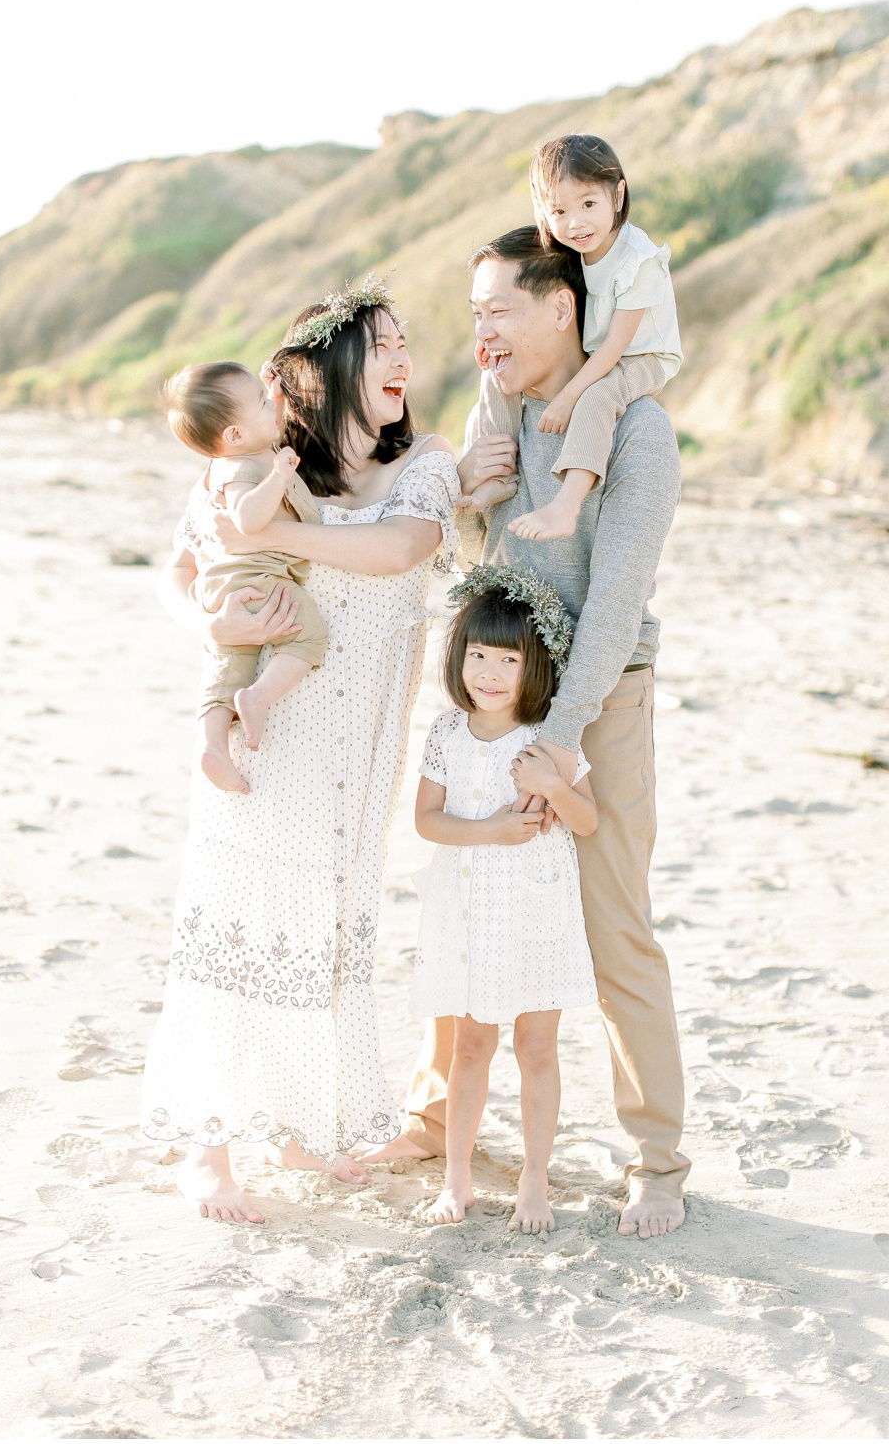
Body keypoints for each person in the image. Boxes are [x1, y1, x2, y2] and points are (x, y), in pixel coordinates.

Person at [365, 227, 689, 1240]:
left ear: (563, 307)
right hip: (489, 704)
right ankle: (433, 1115)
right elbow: (478, 572)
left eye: (499, 309)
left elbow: (616, 599)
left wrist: (560, 742)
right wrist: (478, 497)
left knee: (614, 924)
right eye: (472, 316)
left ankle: (657, 1157)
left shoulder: (636, 428)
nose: (483, 333)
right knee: (465, 900)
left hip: (600, 700)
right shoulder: (492, 412)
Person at [140, 275, 460, 1223]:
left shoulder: (423, 466)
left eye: (408, 342)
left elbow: (403, 551)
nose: (405, 357)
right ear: (326, 369)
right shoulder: (264, 468)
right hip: (267, 732)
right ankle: (207, 1149)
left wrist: (272, 537)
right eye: (385, 342)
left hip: (356, 753)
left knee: (320, 931)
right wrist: (207, 616)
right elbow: (181, 570)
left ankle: (286, 1122)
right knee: (238, 922)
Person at [411, 571, 598, 1234]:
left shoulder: (547, 736)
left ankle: (535, 1180)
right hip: (467, 907)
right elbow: (427, 820)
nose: (490, 672)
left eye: (509, 659)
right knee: (469, 1046)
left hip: (535, 908)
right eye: (479, 655)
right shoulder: (447, 732)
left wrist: (553, 781)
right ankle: (456, 1177)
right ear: (459, 656)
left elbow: (587, 820)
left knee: (537, 1048)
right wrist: (489, 829)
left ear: (533, 665)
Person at [460, 135, 682, 541]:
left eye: (588, 204)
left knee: (597, 398)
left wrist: (568, 397)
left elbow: (616, 348)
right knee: (495, 372)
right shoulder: (579, 249)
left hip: (643, 356)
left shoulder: (638, 259)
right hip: (604, 351)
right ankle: (497, 476)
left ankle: (567, 503)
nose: (576, 223)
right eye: (559, 210)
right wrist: (492, 338)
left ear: (618, 195)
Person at [160, 360, 329, 793]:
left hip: (224, 588)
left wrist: (273, 391)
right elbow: (248, 518)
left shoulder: (240, 452)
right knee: (309, 635)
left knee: (228, 665)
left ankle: (212, 746)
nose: (272, 406)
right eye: (260, 402)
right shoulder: (242, 469)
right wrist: (279, 475)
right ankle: (258, 698)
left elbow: (263, 422)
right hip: (255, 580)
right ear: (234, 435)